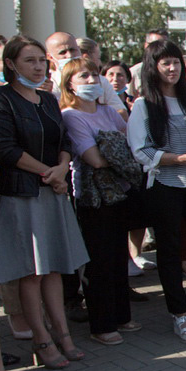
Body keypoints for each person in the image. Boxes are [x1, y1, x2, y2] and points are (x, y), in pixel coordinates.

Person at [0, 35, 89, 367]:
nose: (38, 67)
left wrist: (62, 168)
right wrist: (48, 173)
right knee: (31, 272)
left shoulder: (48, 99)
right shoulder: (2, 99)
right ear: (10, 64)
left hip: (54, 191)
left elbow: (64, 139)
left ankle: (63, 334)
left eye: (41, 60)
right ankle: (41, 339)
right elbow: (5, 148)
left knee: (54, 268)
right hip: (23, 193)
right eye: (30, 61)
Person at [127, 40, 186, 342]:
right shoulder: (144, 105)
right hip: (165, 187)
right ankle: (179, 311)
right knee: (170, 252)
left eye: (176, 62)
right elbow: (141, 151)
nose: (172, 68)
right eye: (165, 63)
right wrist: (180, 158)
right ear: (153, 68)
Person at [60, 57, 141, 345]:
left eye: (95, 76)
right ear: (70, 83)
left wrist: (113, 149)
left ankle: (120, 315)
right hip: (94, 198)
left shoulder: (108, 111)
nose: (93, 81)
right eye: (84, 76)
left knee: (118, 257)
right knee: (100, 262)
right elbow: (93, 158)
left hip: (120, 192)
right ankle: (102, 323)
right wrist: (115, 150)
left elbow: (129, 143)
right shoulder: (71, 116)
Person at [128, 28, 169, 94]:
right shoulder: (135, 72)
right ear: (146, 45)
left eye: (163, 44)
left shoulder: (174, 71)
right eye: (154, 44)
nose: (159, 48)